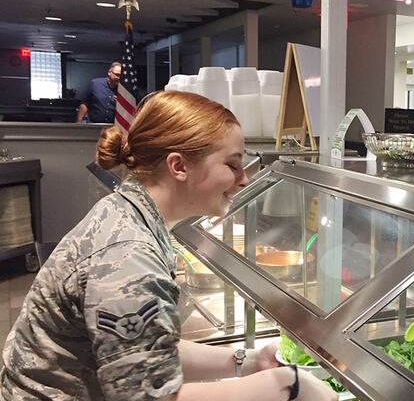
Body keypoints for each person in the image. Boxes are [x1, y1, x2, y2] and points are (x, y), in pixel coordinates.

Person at [1, 91, 337, 401]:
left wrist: (247, 361)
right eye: (232, 165)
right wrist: (287, 386)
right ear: (179, 166)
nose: (244, 179)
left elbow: (149, 351)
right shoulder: (129, 256)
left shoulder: (131, 213)